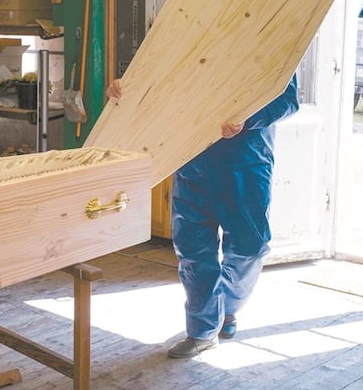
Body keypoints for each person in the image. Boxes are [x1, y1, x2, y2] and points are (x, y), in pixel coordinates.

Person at [106, 74, 299, 358]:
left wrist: (248, 118)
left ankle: (227, 308)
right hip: (191, 162)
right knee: (194, 250)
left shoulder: (267, 44)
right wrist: (128, 90)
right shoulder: (185, 39)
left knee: (250, 247)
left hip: (245, 162)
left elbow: (289, 100)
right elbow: (160, 87)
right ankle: (202, 331)